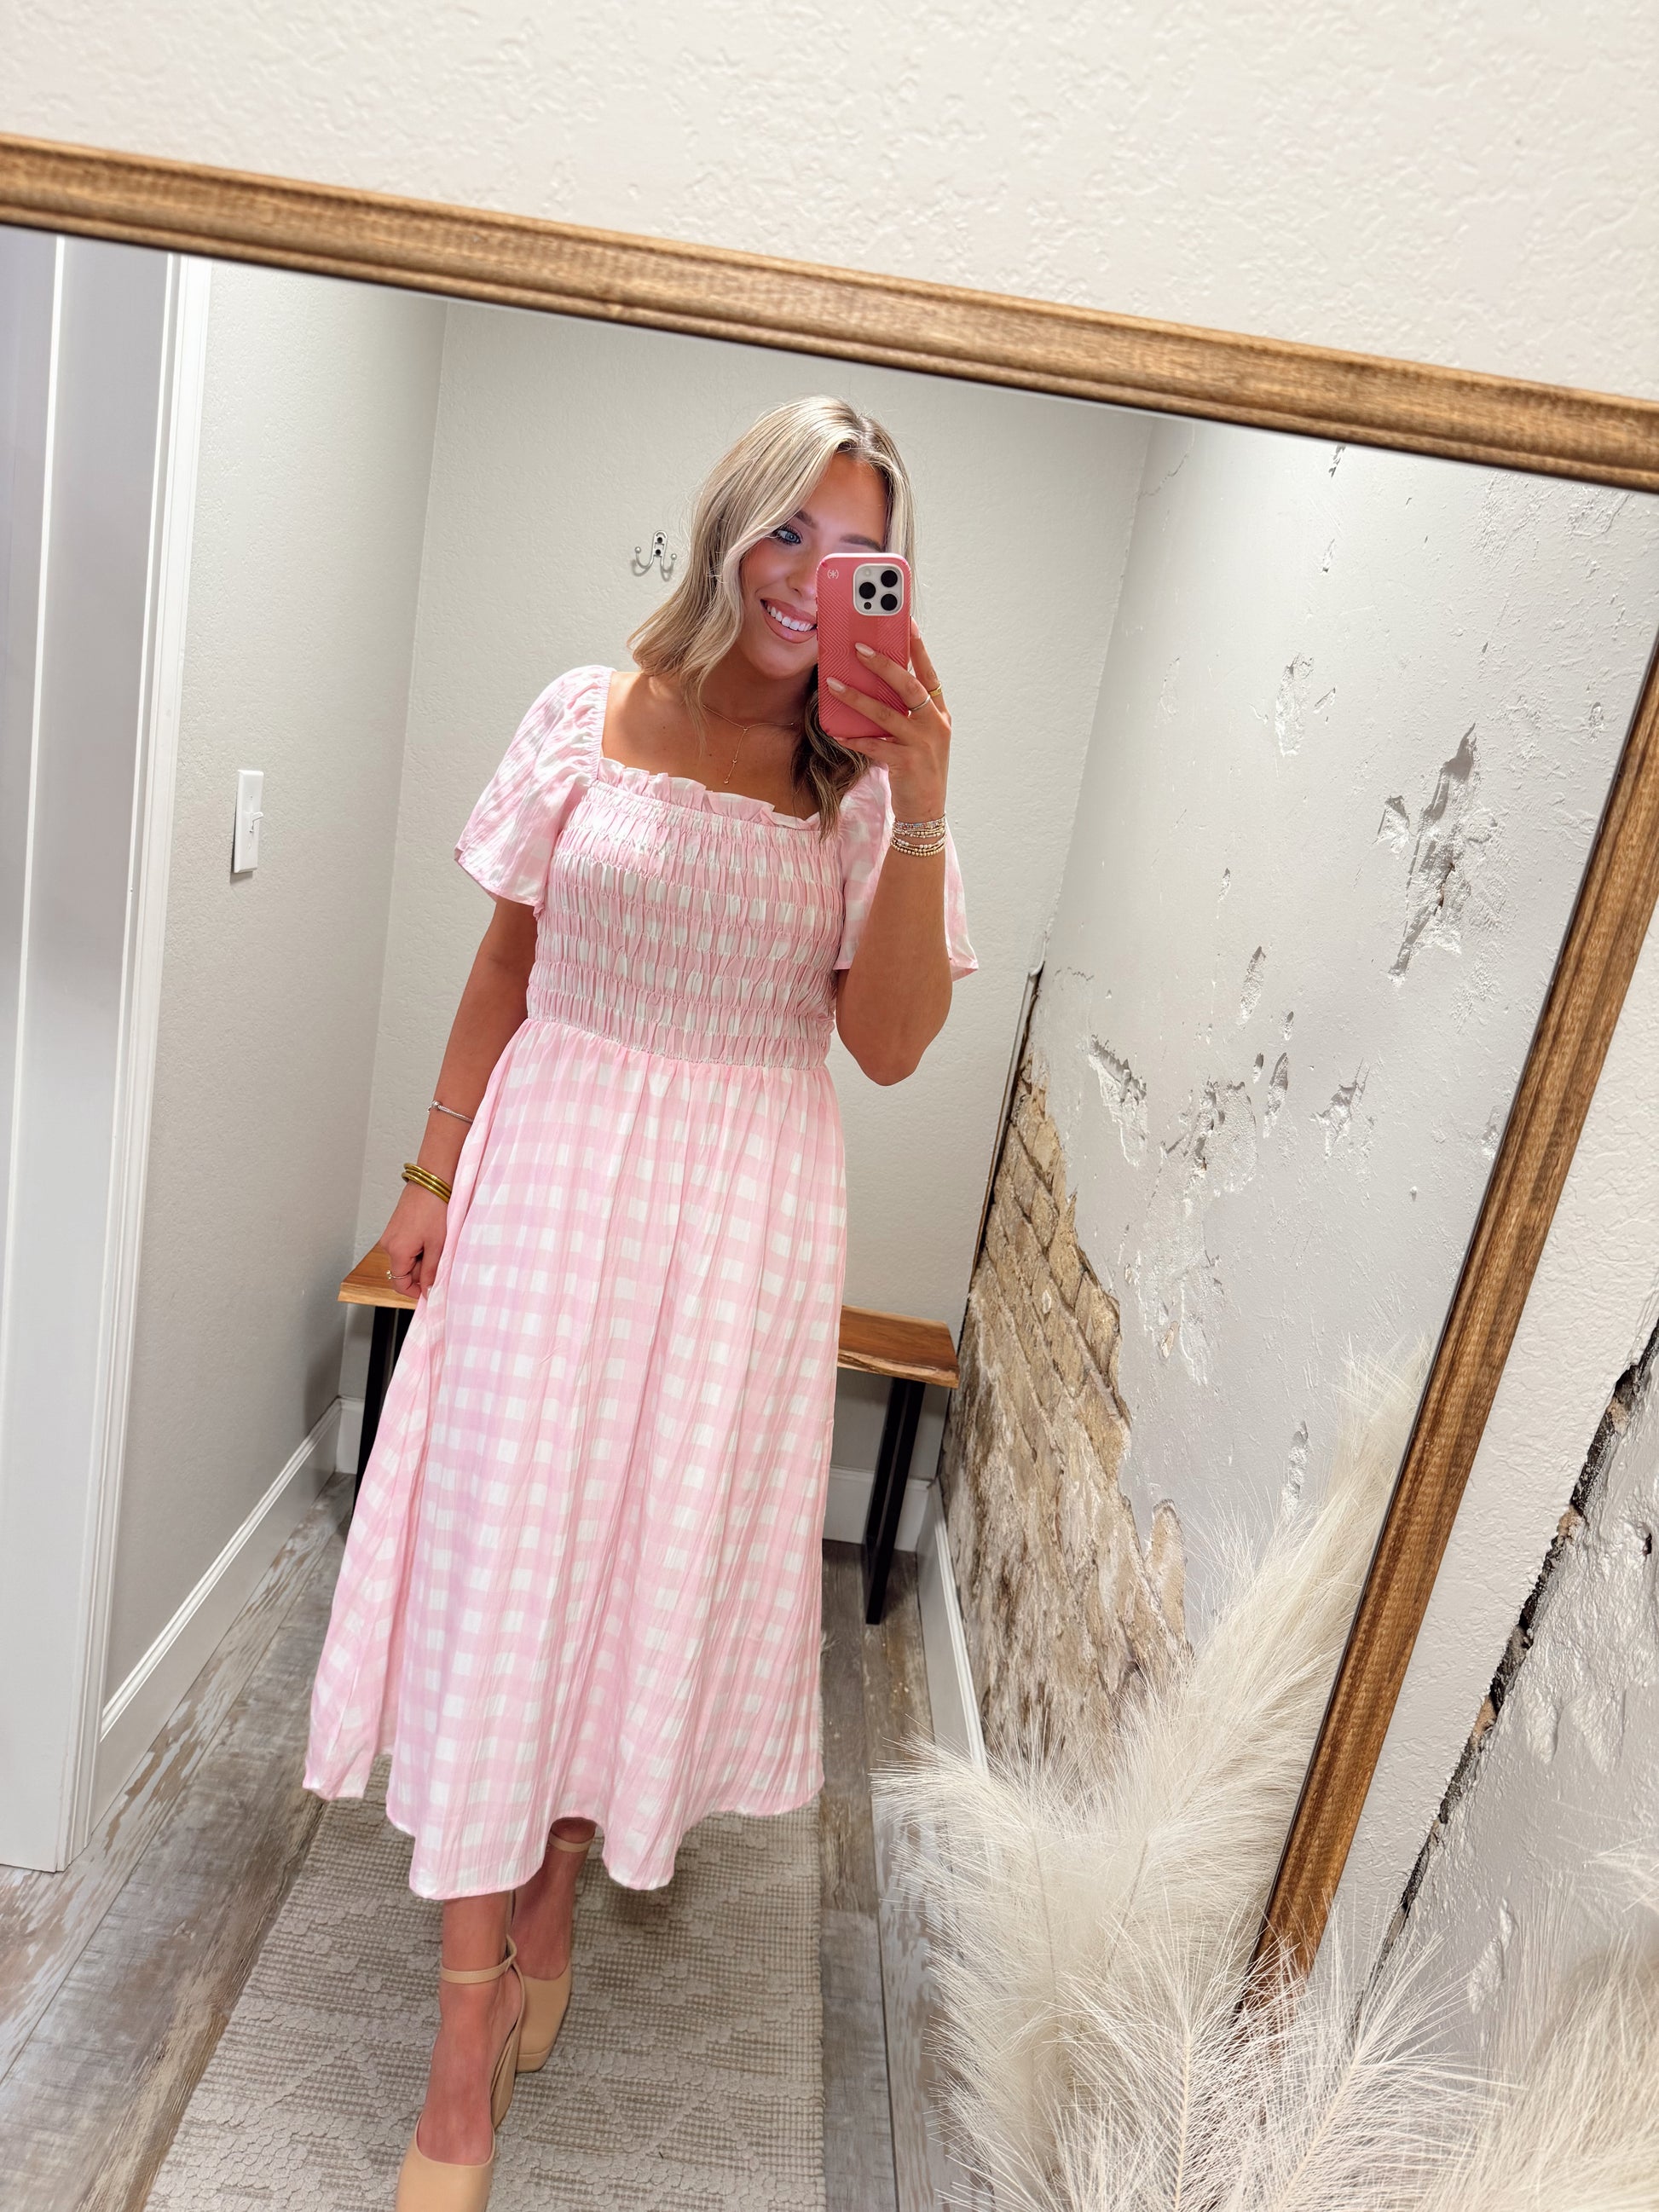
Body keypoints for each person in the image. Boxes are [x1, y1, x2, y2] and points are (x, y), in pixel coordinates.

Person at [302, 395, 975, 2209]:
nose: (813, 577)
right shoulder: (582, 714)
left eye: (859, 553)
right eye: (789, 531)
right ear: (729, 531)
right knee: (505, 1572)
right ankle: (461, 2053)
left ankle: (551, 1885)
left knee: (640, 1570)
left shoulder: (869, 789)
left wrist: (923, 802)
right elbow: (503, 960)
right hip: (551, 1176)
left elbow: (889, 1045)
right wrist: (428, 1175)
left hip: (743, 1218)